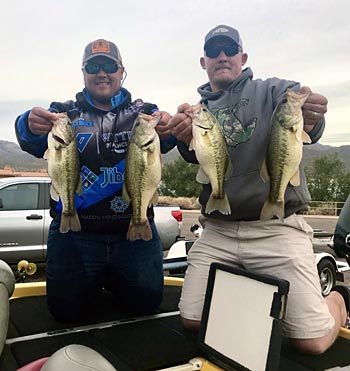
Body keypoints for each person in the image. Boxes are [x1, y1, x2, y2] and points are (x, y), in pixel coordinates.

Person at [168, 24, 349, 355]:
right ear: (203, 61)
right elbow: (199, 156)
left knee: (312, 342)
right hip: (218, 230)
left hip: (276, 227)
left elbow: (307, 122)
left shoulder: (274, 90)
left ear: (243, 57)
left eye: (229, 50)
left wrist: (312, 116)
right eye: (214, 51)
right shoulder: (199, 111)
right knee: (193, 319)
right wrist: (182, 136)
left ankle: (337, 299)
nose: (222, 56)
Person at [15, 39, 176, 322]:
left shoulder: (143, 113)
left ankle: (111, 280)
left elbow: (171, 137)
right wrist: (27, 123)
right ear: (84, 72)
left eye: (109, 66)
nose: (102, 73)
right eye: (94, 66)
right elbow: (29, 139)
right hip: (76, 234)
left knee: (145, 304)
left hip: (133, 234)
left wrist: (172, 123)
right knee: (66, 312)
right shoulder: (63, 112)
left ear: (121, 70)